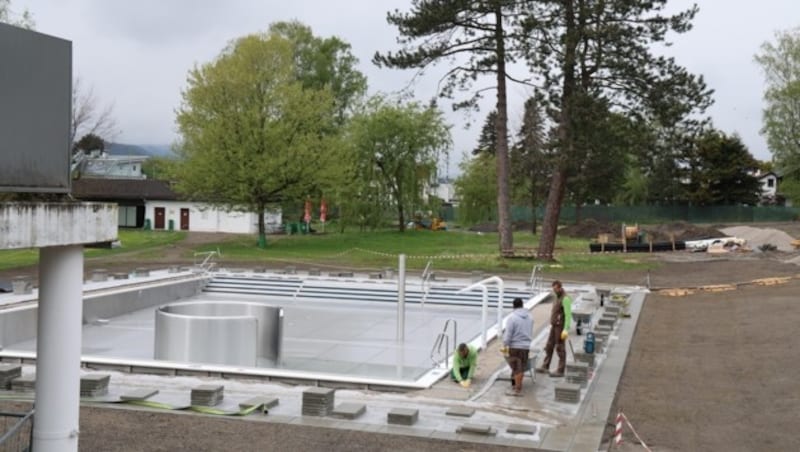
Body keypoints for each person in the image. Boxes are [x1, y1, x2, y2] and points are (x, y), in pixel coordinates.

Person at [537, 280, 573, 377]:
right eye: (553, 289)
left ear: (560, 287)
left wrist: (566, 329)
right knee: (549, 346)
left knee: (560, 348)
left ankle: (560, 370)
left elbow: (568, 315)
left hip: (560, 327)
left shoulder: (565, 299)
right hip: (554, 326)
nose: (554, 291)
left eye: (555, 289)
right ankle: (545, 366)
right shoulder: (556, 297)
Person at [502, 297, 533, 396]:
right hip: (525, 347)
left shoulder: (512, 318)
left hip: (515, 347)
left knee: (516, 368)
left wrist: (505, 344)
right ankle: (517, 386)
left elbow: (508, 334)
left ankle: (517, 389)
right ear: (522, 305)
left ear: (513, 306)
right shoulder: (530, 317)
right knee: (522, 367)